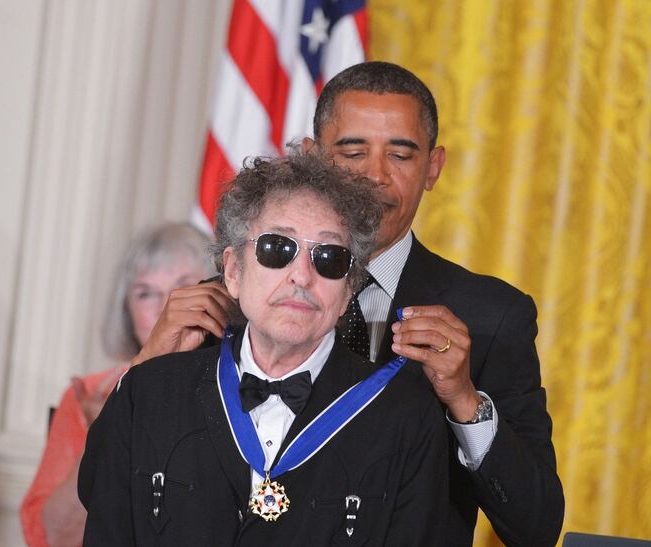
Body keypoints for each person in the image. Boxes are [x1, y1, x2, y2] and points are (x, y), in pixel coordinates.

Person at [130, 61, 564, 546]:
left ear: (433, 168)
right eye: (352, 152)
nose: (374, 177)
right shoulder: (231, 299)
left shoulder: (489, 317)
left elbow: (537, 528)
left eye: (400, 155)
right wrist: (149, 365)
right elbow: (117, 488)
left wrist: (465, 401)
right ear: (313, 157)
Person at [78, 153, 449, 545]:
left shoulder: (405, 417)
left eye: (329, 258)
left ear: (348, 291)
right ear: (234, 272)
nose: (302, 276)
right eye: (277, 248)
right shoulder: (150, 391)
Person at [20, 222, 214, 547]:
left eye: (184, 287)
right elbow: (47, 536)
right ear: (126, 310)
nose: (166, 306)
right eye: (145, 293)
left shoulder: (249, 383)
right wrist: (110, 426)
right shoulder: (92, 394)